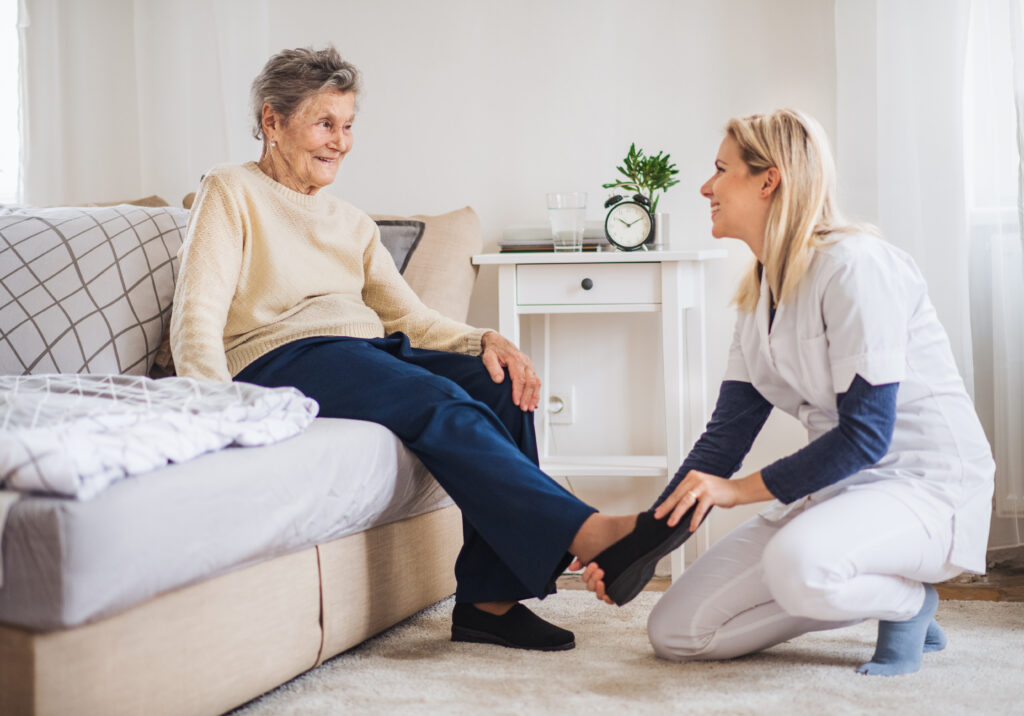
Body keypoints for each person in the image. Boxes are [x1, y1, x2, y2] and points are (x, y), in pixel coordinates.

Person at [169, 45, 677, 652]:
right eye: (324, 123)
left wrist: (485, 340)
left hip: (363, 351)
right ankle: (588, 531)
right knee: (434, 398)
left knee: (497, 384)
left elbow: (407, 315)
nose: (340, 141)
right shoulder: (230, 190)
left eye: (349, 125)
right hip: (281, 357)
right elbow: (196, 312)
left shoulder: (351, 223)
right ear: (272, 122)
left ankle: (489, 604)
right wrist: (218, 410)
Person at [576, 108, 995, 676]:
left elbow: (866, 436)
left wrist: (737, 493)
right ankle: (855, 583)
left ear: (768, 179)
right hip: (837, 492)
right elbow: (721, 445)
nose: (706, 187)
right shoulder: (758, 295)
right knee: (677, 632)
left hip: (923, 486)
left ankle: (908, 604)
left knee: (800, 566)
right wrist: (639, 549)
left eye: (721, 170)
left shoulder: (855, 267)